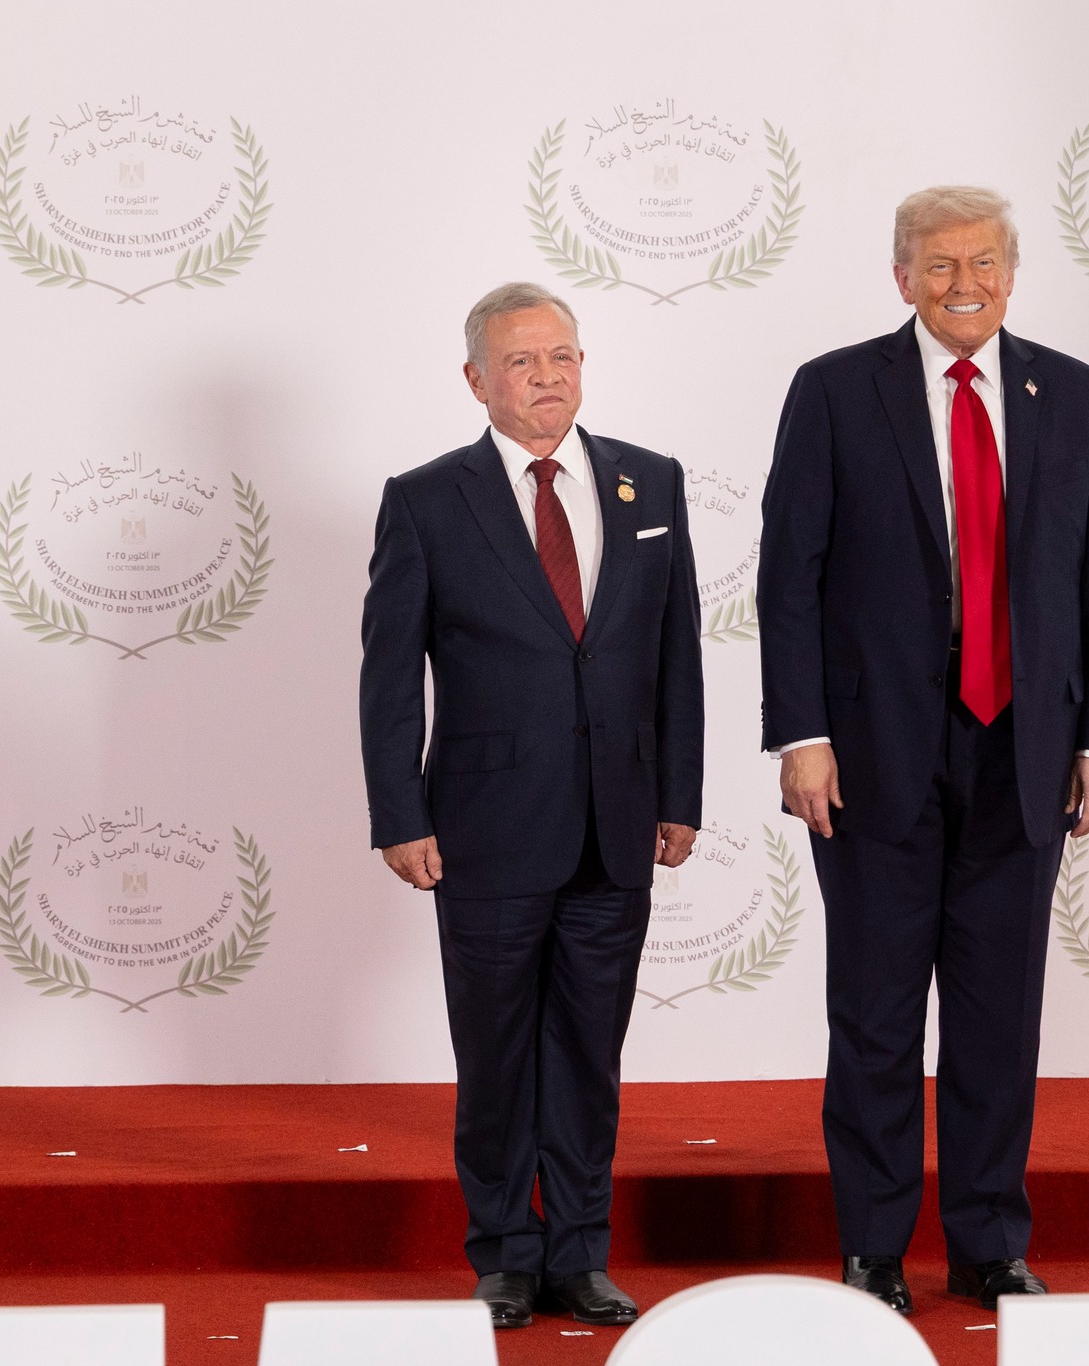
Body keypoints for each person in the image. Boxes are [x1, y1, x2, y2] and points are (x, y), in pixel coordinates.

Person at [756, 186, 1089, 1313]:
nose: (962, 284)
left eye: (981, 263)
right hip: (870, 756)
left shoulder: (1073, 394)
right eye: (938, 265)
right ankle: (873, 1248)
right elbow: (788, 579)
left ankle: (986, 1242)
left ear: (1011, 275)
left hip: (1026, 752)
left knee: (996, 1018)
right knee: (875, 1015)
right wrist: (802, 736)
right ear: (901, 277)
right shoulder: (833, 391)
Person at [360, 281, 704, 1329]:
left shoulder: (650, 481)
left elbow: (674, 653)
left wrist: (679, 793)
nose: (547, 377)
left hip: (618, 823)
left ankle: (580, 1253)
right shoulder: (426, 499)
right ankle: (507, 1254)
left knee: (590, 1055)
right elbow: (389, 675)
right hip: (485, 829)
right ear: (477, 380)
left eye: (561, 357)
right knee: (499, 1053)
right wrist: (399, 813)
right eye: (521, 362)